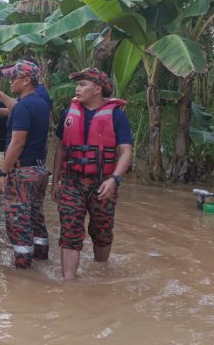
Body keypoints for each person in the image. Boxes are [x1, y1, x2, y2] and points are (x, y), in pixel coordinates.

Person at [51, 68, 133, 280]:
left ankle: (101, 270)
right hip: (71, 182)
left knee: (102, 233)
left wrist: (114, 179)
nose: (77, 89)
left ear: (97, 89)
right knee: (69, 232)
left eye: (82, 85)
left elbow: (126, 152)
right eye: (77, 85)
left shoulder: (117, 115)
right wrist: (55, 181)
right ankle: (68, 285)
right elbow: (61, 148)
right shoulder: (68, 113)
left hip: (103, 183)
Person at [0, 60, 51, 269]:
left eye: (13, 78)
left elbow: (17, 143)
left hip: (23, 172)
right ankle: (42, 259)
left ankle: (23, 270)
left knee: (18, 221)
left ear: (27, 80)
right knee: (36, 216)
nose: (10, 82)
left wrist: (1, 173)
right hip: (40, 170)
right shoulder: (42, 104)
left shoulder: (23, 107)